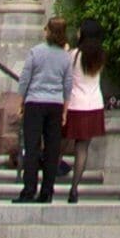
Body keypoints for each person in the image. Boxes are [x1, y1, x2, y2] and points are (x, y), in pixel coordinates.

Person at [17, 15, 77, 203]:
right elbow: (68, 84)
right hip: (55, 104)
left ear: (48, 31)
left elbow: (25, 78)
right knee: (52, 149)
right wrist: (65, 110)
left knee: (32, 147)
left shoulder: (36, 52)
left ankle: (29, 189)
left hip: (35, 102)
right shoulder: (65, 57)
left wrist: (21, 101)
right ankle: (47, 191)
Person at [70, 23, 111, 176]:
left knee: (63, 142)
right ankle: (74, 188)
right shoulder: (100, 55)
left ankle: (51, 177)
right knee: (83, 147)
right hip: (94, 103)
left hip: (75, 103)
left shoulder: (74, 55)